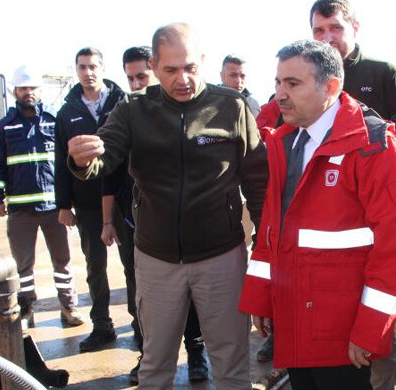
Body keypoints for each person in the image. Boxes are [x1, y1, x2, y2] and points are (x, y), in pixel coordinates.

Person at [67, 23, 267, 389]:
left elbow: (258, 182)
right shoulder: (132, 109)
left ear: (202, 61)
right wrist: (83, 160)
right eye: (171, 70)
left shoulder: (231, 107)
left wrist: (266, 247)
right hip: (156, 260)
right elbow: (105, 157)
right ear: (155, 67)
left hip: (221, 257)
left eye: (190, 67)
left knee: (231, 364)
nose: (183, 79)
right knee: (155, 365)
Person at [238, 39, 396, 390]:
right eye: (277, 83)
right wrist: (262, 295)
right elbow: (273, 228)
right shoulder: (285, 143)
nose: (280, 95)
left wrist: (371, 328)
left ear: (331, 87)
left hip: (345, 337)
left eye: (293, 84)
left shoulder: (374, 146)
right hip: (294, 319)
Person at [310, 0, 396, 388]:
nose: (328, 38)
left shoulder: (384, 75)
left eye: (336, 28)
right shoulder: (311, 84)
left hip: (387, 215)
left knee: (385, 294)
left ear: (355, 28)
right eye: (319, 30)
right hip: (338, 226)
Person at [100, 45, 210, 383]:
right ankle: (148, 352)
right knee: (143, 295)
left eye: (141, 77)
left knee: (190, 296)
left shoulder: (192, 110)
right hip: (141, 226)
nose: (135, 84)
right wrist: (108, 220)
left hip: (192, 231)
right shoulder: (126, 112)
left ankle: (195, 352)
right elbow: (108, 172)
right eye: (130, 78)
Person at [0, 65, 82, 330]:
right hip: (20, 210)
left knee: (62, 262)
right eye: (23, 88)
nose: (28, 93)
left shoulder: (54, 121)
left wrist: (71, 199)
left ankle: (69, 308)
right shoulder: (5, 127)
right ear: (15, 91)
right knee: (23, 267)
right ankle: (27, 310)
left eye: (32, 88)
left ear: (40, 90)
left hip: (55, 208)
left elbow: (68, 162)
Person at [54, 47, 127, 350]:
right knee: (95, 267)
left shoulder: (122, 103)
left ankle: (140, 326)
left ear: (102, 67)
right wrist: (63, 204)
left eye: (93, 66)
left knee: (133, 266)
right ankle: (102, 325)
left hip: (123, 200)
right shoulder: (67, 113)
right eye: (82, 67)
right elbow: (60, 160)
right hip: (86, 203)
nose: (88, 72)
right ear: (76, 70)